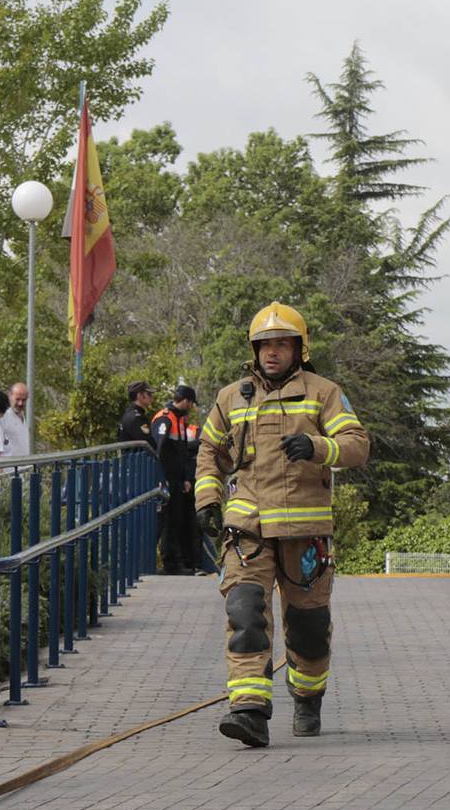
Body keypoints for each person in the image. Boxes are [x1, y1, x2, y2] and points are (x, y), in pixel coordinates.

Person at [195, 302, 369, 747]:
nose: (271, 352)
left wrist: (315, 446)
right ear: (254, 351)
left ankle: (308, 699)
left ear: (298, 348)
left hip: (305, 533)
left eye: (280, 344)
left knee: (308, 631)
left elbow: (356, 445)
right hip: (247, 530)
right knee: (245, 613)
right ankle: (250, 711)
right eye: (264, 345)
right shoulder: (231, 397)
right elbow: (209, 453)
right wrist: (208, 499)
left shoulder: (323, 392)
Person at [151, 384, 199, 575]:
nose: (192, 407)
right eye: (191, 403)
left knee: (176, 521)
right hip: (166, 479)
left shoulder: (179, 419)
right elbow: (159, 451)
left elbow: (183, 453)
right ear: (185, 401)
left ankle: (176, 562)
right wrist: (162, 478)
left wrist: (186, 478)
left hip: (178, 479)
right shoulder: (165, 418)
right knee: (168, 522)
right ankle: (170, 563)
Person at [118, 380, 155, 446]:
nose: (152, 397)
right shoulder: (137, 418)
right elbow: (149, 443)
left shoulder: (129, 413)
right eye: (149, 394)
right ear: (139, 396)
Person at [0, 382, 30, 458]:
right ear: (10, 396)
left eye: (24, 400)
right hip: (8, 468)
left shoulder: (22, 415)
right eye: (17, 399)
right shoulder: (2, 416)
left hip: (23, 466)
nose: (20, 403)